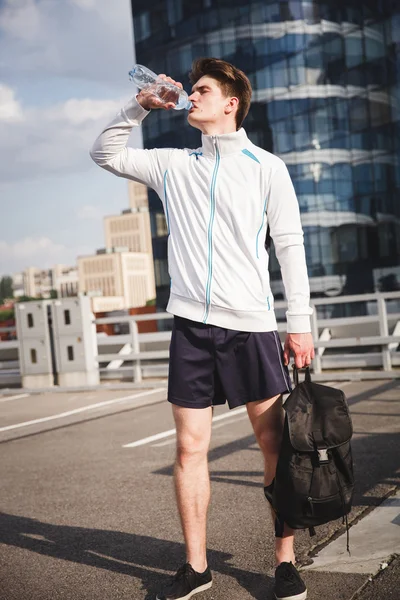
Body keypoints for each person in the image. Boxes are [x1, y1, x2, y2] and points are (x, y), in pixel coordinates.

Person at [90, 58, 315, 600]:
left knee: (273, 445)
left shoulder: (267, 166)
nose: (191, 97)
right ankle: (197, 566)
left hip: (252, 327)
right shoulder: (174, 164)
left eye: (202, 90)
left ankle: (284, 561)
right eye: (191, 90)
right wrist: (139, 106)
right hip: (191, 327)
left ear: (230, 103)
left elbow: (290, 247)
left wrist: (299, 323)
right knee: (190, 450)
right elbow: (105, 153)